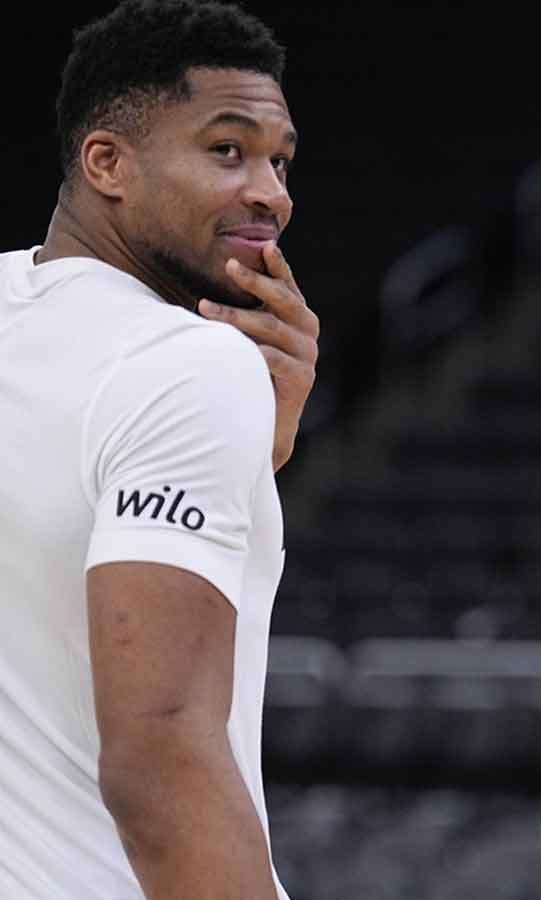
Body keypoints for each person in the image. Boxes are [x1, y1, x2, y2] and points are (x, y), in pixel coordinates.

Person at [0, 1, 318, 897]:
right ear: (107, 163)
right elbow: (160, 749)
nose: (272, 192)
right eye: (228, 150)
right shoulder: (189, 363)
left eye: (280, 160)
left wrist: (254, 463)